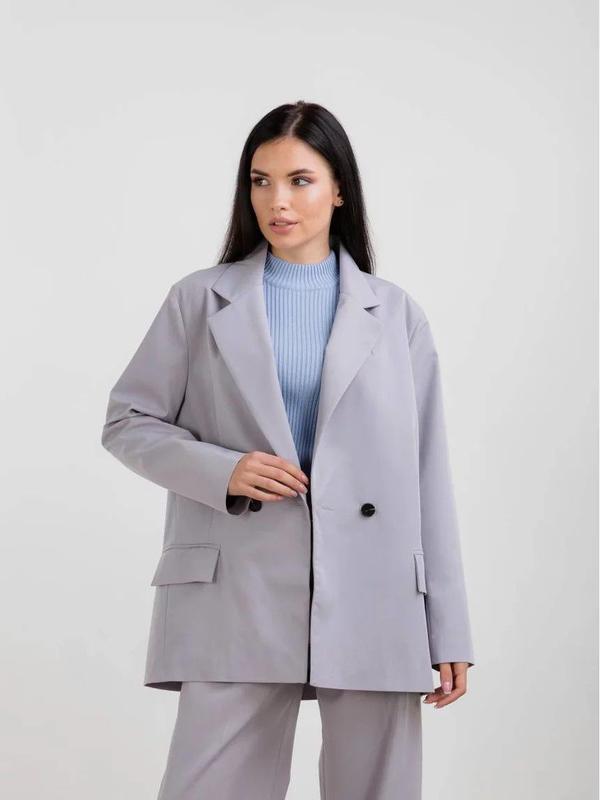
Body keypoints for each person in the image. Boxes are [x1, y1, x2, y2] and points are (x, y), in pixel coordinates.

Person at [101, 100, 475, 800]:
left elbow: (429, 474)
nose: (277, 200)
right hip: (235, 586)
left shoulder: (396, 314)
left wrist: (448, 626)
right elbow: (128, 421)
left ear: (339, 190)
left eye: (300, 180)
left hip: (374, 590)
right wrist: (225, 470)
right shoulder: (198, 300)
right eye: (260, 180)